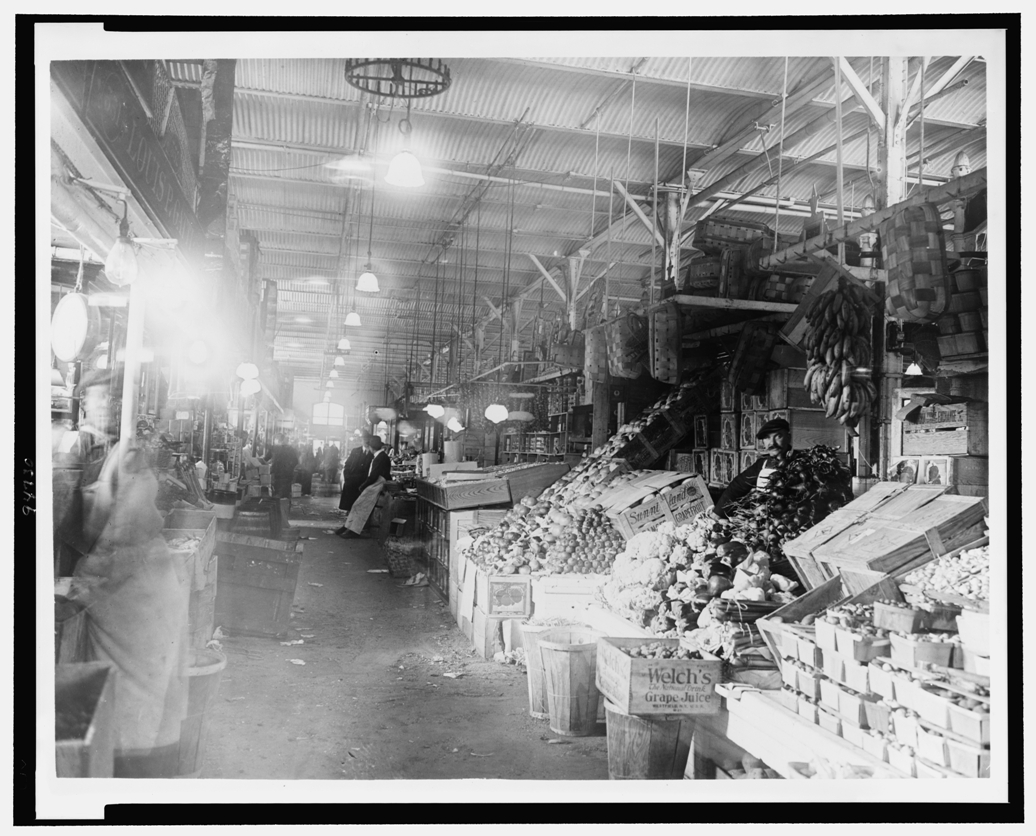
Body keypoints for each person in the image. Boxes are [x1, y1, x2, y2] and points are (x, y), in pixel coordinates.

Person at [712, 417, 793, 519]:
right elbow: (737, 487)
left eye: (778, 436)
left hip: (789, 520)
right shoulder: (762, 464)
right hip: (763, 518)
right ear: (763, 442)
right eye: (767, 438)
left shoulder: (801, 462)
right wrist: (718, 513)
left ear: (788, 437)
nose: (772, 443)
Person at [338, 437, 392, 539]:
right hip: (375, 483)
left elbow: (373, 476)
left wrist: (363, 486)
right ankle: (348, 526)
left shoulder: (380, 457)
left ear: (371, 448)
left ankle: (354, 530)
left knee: (360, 506)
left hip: (378, 484)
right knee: (356, 505)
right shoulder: (380, 456)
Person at [335, 433, 373, 527]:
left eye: (368, 439)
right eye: (364, 439)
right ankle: (349, 525)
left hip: (364, 484)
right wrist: (347, 478)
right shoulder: (355, 451)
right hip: (352, 483)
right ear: (361, 440)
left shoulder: (373, 453)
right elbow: (347, 465)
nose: (366, 441)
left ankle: (358, 526)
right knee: (350, 505)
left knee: (361, 506)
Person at [264, 434, 299, 503]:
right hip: (288, 475)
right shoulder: (291, 449)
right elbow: (296, 461)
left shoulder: (274, 448)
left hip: (277, 474)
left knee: (277, 493)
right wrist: (290, 467)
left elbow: (265, 459)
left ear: (277, 440)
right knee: (286, 494)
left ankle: (277, 510)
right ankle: (285, 510)